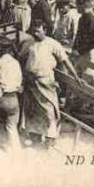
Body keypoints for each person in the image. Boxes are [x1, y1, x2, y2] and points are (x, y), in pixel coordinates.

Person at [19, 19, 83, 149]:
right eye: (34, 31)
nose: (36, 34)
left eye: (38, 31)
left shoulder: (53, 44)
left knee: (49, 110)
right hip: (31, 82)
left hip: (46, 81)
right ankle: (35, 135)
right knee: (32, 110)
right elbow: (20, 56)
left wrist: (76, 77)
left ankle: (50, 137)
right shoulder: (29, 43)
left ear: (45, 31)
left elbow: (65, 61)